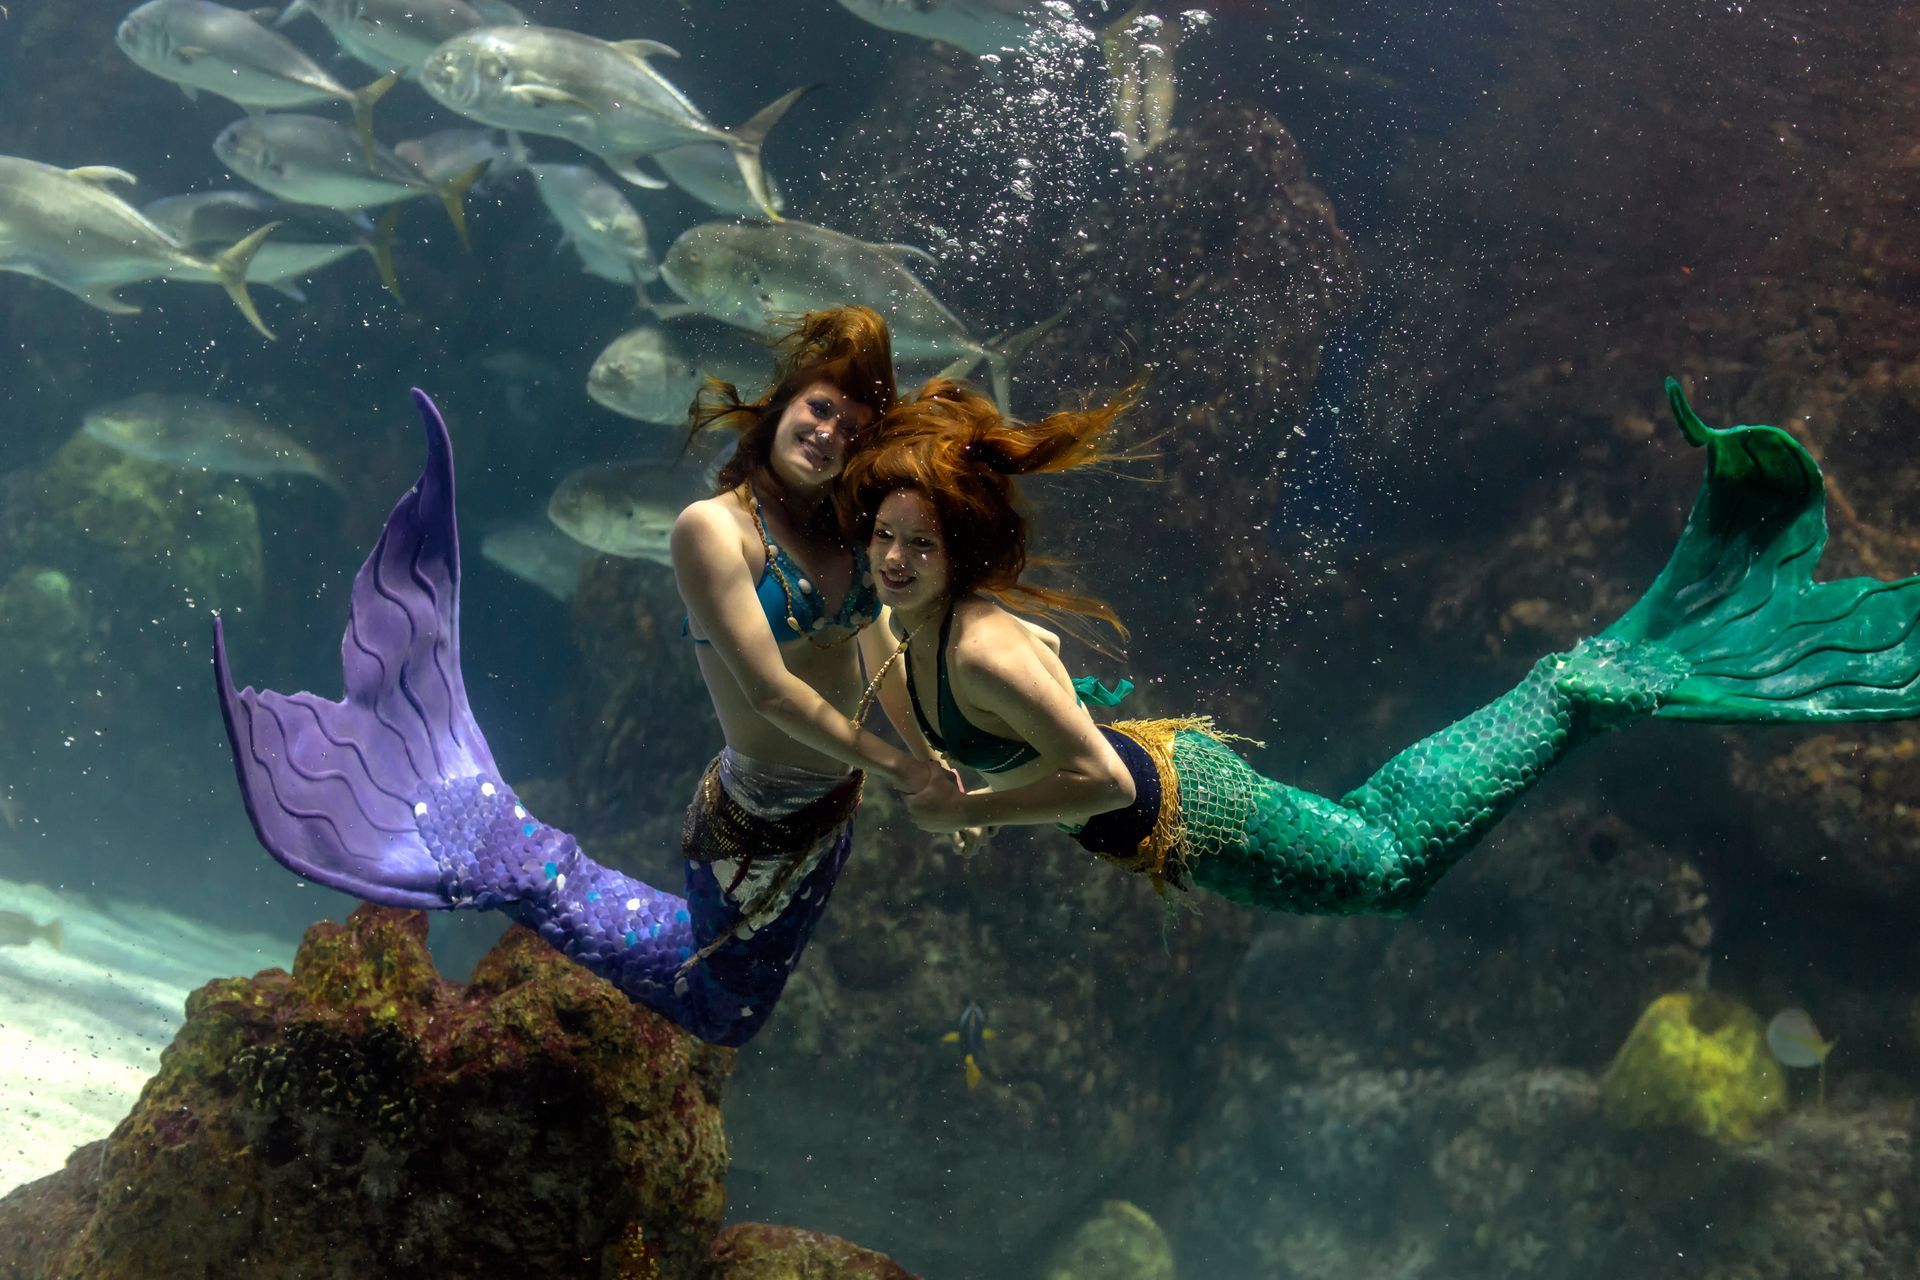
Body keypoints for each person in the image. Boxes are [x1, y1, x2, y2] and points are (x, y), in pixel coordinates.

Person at [848, 377, 1920, 911]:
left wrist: (968, 806)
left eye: (918, 542)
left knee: (1383, 862)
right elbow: (882, 679)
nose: (894, 559)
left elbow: (1083, 768)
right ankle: (1565, 690)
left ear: (967, 546)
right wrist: (903, 759)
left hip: (1190, 805)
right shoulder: (894, 626)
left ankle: (1566, 691)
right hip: (1155, 797)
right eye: (884, 537)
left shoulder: (978, 646)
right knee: (1376, 836)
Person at [213, 308, 932, 1048]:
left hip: (829, 817)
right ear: (779, 404)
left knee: (726, 990)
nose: (828, 435)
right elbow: (771, 692)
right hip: (757, 823)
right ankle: (527, 864)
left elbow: (879, 645)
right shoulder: (712, 529)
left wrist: (928, 757)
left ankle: (530, 857)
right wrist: (900, 766)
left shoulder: (842, 534)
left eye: (852, 429)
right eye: (819, 410)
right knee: (723, 1009)